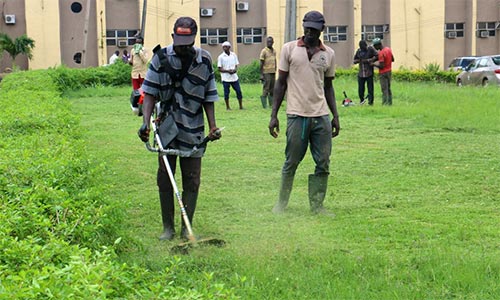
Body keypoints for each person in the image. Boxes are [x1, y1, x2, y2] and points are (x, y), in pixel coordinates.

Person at [137, 17, 221, 241]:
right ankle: (168, 228)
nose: (183, 45)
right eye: (179, 40)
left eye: (188, 41)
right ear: (173, 36)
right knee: (165, 176)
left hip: (193, 127)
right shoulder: (160, 58)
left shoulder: (204, 60)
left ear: (194, 38)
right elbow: (150, 94)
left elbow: (208, 95)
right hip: (166, 126)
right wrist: (146, 123)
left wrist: (212, 125)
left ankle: (186, 228)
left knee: (192, 177)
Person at [268, 11, 340, 215]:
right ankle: (281, 203)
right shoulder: (289, 49)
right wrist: (274, 115)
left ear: (321, 30)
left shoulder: (329, 54)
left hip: (321, 117)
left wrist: (335, 115)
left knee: (323, 161)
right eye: (306, 27)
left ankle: (317, 205)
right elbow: (280, 84)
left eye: (314, 29)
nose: (309, 32)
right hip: (296, 116)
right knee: (291, 161)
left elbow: (328, 87)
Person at [217, 41, 243, 110]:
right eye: (223, 47)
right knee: (226, 93)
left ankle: (241, 106)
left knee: (238, 91)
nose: (224, 48)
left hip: (234, 77)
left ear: (229, 47)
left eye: (226, 47)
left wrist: (235, 70)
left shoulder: (233, 55)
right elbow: (219, 68)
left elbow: (236, 65)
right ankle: (227, 107)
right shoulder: (221, 57)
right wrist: (228, 71)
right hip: (225, 78)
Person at [353, 40, 378, 105]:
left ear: (366, 45)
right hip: (361, 73)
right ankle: (362, 100)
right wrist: (359, 60)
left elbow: (377, 56)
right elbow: (354, 60)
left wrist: (371, 60)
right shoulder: (359, 51)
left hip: (369, 72)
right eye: (362, 47)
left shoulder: (370, 49)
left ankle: (370, 102)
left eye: (364, 47)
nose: (363, 48)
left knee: (370, 89)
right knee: (360, 89)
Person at [372, 38, 394, 105]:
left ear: (378, 45)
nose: (374, 47)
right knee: (388, 88)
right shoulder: (388, 49)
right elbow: (392, 59)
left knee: (384, 89)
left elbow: (381, 66)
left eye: (375, 46)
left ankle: (385, 103)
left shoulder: (381, 53)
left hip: (383, 73)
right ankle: (390, 102)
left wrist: (373, 64)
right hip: (389, 71)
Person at [259, 36, 276, 108]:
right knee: (266, 88)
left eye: (271, 42)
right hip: (266, 72)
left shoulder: (274, 51)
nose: (269, 43)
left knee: (272, 88)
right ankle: (264, 105)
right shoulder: (264, 51)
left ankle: (271, 104)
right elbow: (261, 63)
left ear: (273, 42)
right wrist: (261, 74)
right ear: (266, 42)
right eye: (268, 42)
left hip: (273, 72)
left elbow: (275, 61)